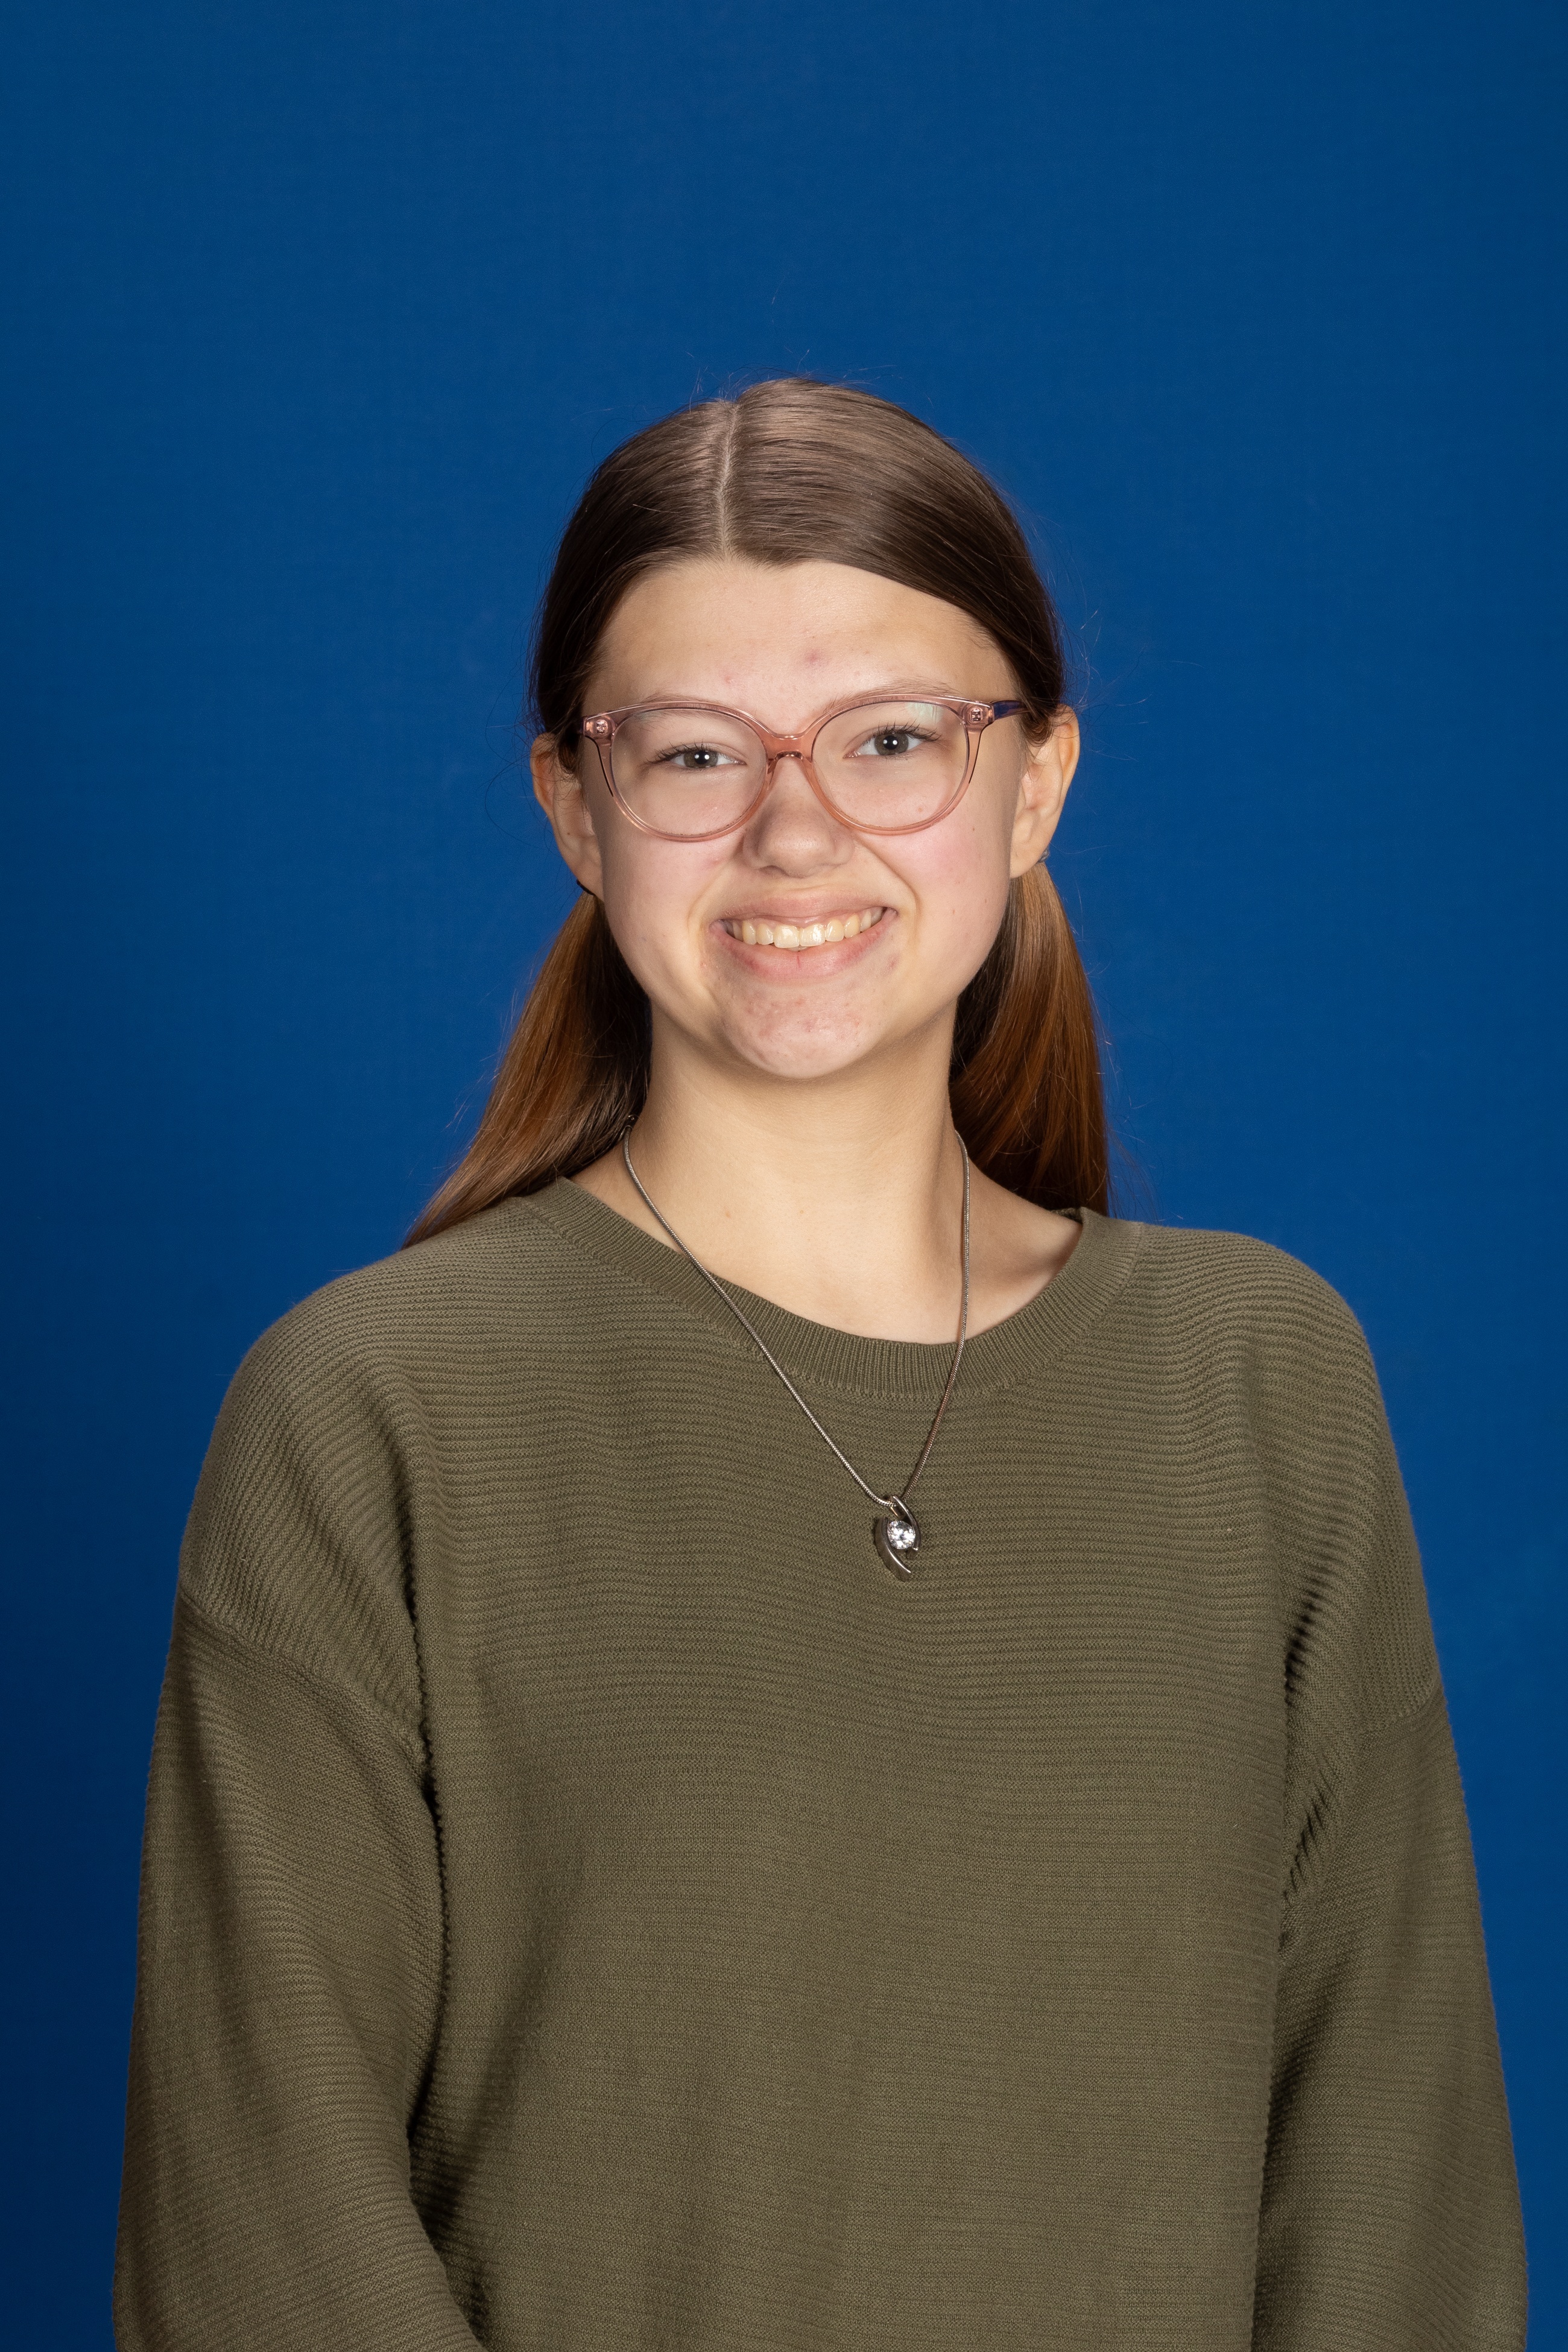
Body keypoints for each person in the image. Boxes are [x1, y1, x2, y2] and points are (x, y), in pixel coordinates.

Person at [114, 379, 1528, 2350]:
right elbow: (263, 2233)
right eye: (696, 752)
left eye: (890, 740)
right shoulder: (370, 1417)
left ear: (1033, 783)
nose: (796, 832)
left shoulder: (1259, 1386)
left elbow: (1399, 2195)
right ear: (576, 805)